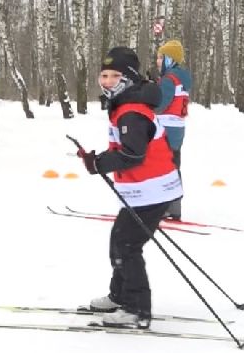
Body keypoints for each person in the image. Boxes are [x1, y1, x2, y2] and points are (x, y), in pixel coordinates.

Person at [76, 46, 183, 329]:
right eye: (104, 75)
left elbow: (133, 155)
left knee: (127, 245)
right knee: (119, 241)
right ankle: (120, 295)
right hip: (144, 190)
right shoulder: (125, 105)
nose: (107, 81)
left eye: (114, 76)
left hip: (154, 190)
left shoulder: (132, 111)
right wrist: (98, 161)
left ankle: (136, 308)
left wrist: (98, 164)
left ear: (129, 78)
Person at [154, 40, 192, 220]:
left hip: (165, 130)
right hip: (177, 130)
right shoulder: (182, 78)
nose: (158, 61)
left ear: (171, 59)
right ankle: (174, 207)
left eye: (161, 57)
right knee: (173, 166)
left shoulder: (169, 79)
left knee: (162, 167)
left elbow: (160, 105)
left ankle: (164, 206)